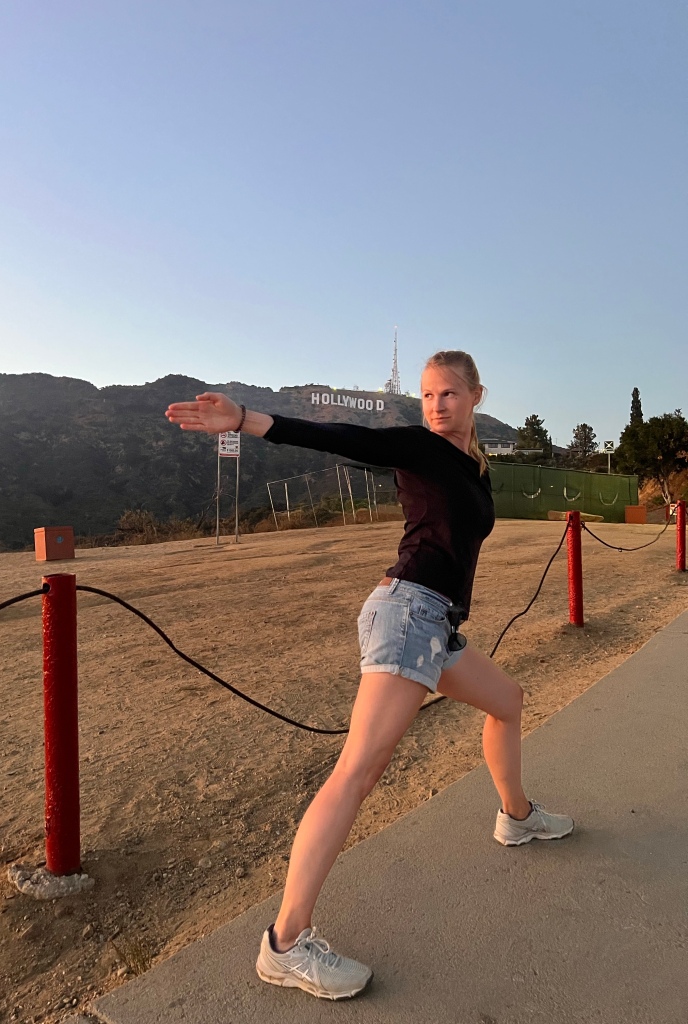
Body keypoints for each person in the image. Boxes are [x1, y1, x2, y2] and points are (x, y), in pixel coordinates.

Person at [165, 350, 573, 1001]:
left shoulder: (473, 467)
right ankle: (285, 944)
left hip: (436, 625)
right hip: (407, 614)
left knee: (507, 701)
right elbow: (343, 437)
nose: (436, 405)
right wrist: (245, 419)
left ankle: (516, 816)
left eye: (448, 394)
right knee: (357, 772)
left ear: (477, 396)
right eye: (428, 395)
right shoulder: (419, 446)